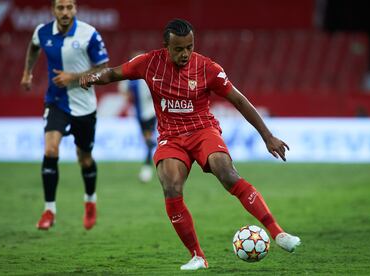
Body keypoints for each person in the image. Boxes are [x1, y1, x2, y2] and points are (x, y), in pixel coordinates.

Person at [80, 19, 300, 270]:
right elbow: (114, 72)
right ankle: (197, 256)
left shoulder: (208, 68)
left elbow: (239, 101)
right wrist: (94, 76)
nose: (185, 54)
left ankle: (278, 233)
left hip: (203, 130)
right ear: (166, 47)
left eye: (189, 47)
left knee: (226, 173)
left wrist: (267, 136)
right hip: (171, 137)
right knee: (171, 186)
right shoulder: (149, 62)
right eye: (178, 49)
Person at [20, 0, 109, 230]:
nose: (65, 12)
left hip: (84, 107)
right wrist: (27, 73)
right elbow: (33, 46)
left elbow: (103, 68)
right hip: (56, 102)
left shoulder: (89, 34)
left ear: (75, 9)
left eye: (69, 7)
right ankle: (49, 209)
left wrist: (73, 76)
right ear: (53, 10)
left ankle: (90, 201)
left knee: (85, 158)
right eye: (61, 8)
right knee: (50, 150)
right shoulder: (42, 31)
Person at [118, 53, 157, 182]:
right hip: (141, 114)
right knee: (147, 141)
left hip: (150, 113)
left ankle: (146, 169)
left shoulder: (143, 76)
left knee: (148, 140)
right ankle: (150, 162)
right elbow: (124, 92)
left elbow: (124, 93)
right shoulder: (142, 75)